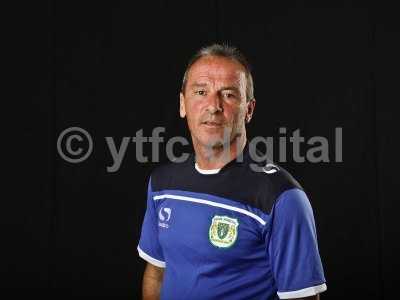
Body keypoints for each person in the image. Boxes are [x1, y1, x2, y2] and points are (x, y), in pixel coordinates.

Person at [137, 44, 327, 300]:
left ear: (248, 109)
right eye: (201, 92)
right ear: (183, 104)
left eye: (228, 95)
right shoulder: (162, 184)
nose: (213, 105)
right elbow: (156, 273)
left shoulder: (281, 197)